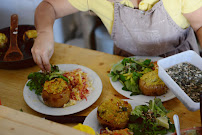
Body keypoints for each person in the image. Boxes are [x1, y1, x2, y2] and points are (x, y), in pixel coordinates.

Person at [32, 0, 202, 72]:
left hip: (181, 65)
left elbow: (200, 25)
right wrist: (44, 32)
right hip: (127, 69)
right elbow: (49, 6)